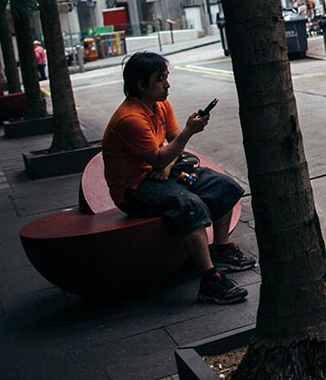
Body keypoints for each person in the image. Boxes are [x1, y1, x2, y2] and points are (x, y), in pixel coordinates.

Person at [102, 51, 256, 304]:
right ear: (141, 85)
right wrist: (187, 133)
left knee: (223, 185)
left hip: (162, 173)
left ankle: (221, 247)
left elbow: (171, 147)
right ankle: (210, 279)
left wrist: (168, 161)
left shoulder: (160, 105)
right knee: (190, 204)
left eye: (166, 77)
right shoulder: (130, 119)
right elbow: (164, 153)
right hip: (133, 189)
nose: (167, 84)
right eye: (160, 79)